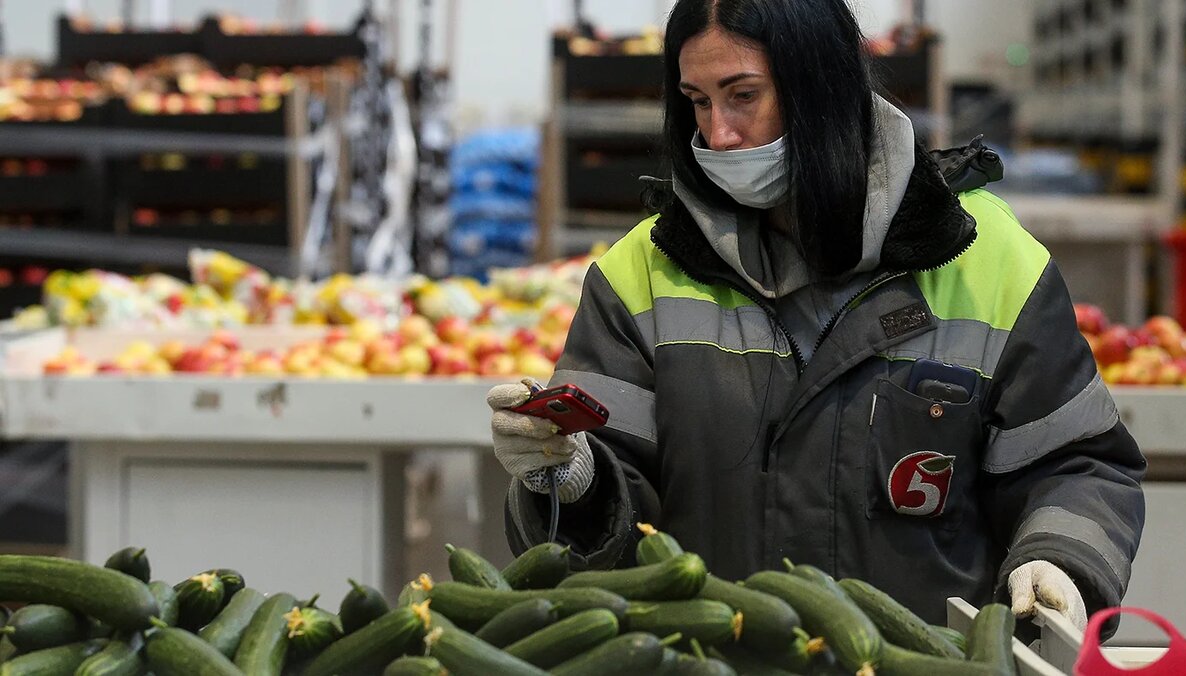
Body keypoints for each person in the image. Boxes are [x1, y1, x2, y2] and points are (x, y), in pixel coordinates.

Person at [487, 0, 1145, 631]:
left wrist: (1059, 556)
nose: (717, 133)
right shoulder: (639, 278)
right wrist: (574, 482)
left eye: (743, 95)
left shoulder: (989, 262)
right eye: (697, 102)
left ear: (822, 87)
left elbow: (1077, 463)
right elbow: (612, 523)